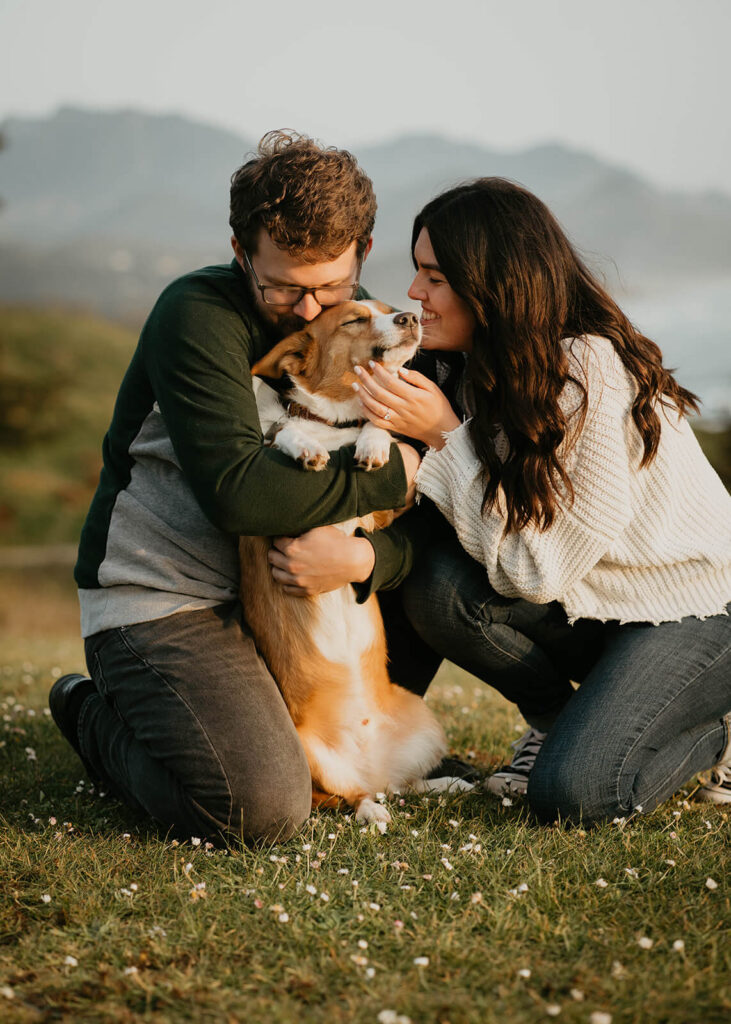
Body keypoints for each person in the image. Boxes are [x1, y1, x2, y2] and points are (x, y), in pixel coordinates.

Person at [49, 131, 429, 844]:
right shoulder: (196, 315)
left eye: (331, 286)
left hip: (289, 598)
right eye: (284, 285)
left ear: (363, 254)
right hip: (168, 598)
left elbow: (425, 512)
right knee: (260, 809)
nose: (312, 311)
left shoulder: (367, 323)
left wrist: (371, 561)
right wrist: (394, 470)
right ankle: (89, 712)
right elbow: (241, 496)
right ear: (239, 251)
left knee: (445, 593)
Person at [350, 177, 731, 824]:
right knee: (438, 585)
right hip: (600, 606)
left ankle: (712, 730)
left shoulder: (588, 372)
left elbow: (536, 570)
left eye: (435, 277)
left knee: (572, 795)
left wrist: (444, 435)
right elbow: (501, 540)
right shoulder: (478, 369)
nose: (414, 293)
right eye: (417, 272)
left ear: (493, 286)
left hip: (694, 611)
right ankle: (562, 724)